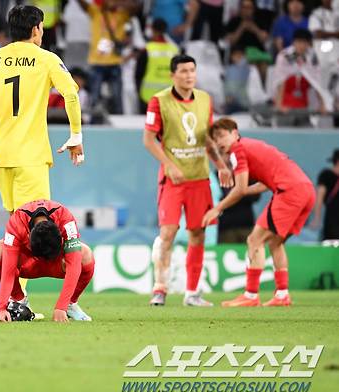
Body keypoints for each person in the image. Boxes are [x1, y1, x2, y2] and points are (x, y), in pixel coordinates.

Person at [0, 5, 84, 214]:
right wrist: (76, 135)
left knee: (16, 222)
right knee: (37, 222)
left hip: (1, 154)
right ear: (36, 29)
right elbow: (71, 95)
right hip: (31, 155)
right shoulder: (47, 59)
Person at [142, 54, 232, 307]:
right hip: (172, 180)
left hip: (199, 177)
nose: (189, 75)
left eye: (192, 70)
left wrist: (221, 166)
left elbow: (208, 139)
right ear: (173, 75)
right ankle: (160, 289)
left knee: (198, 234)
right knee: (168, 232)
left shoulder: (205, 100)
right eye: (183, 71)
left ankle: (192, 293)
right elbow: (148, 140)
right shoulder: (159, 101)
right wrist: (169, 165)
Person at [203, 117, 315, 307]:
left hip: (289, 191)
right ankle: (282, 295)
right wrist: (244, 190)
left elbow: (239, 190)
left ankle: (251, 295)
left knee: (254, 240)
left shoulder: (238, 150)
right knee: (275, 242)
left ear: (235, 134)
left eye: (222, 136)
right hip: (305, 190)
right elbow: (263, 183)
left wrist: (217, 208)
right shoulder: (251, 146)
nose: (219, 142)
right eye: (215, 139)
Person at [0, 199, 95, 322]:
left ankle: (71, 304)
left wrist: (62, 306)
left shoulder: (66, 220)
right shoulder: (16, 223)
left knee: (85, 253)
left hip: (57, 263)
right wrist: (1, 308)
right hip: (29, 263)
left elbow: (74, 264)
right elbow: (8, 270)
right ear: (29, 237)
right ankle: (19, 299)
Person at [77, 0, 132, 114]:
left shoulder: (122, 13)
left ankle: (120, 124)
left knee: (117, 98)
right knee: (94, 97)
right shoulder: (96, 11)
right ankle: (91, 122)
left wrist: (119, 4)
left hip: (115, 62)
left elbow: (137, 7)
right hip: (97, 62)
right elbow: (83, 5)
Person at [312, 149, 339, 241]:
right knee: (331, 241)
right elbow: (320, 196)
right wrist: (317, 217)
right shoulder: (326, 175)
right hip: (332, 218)